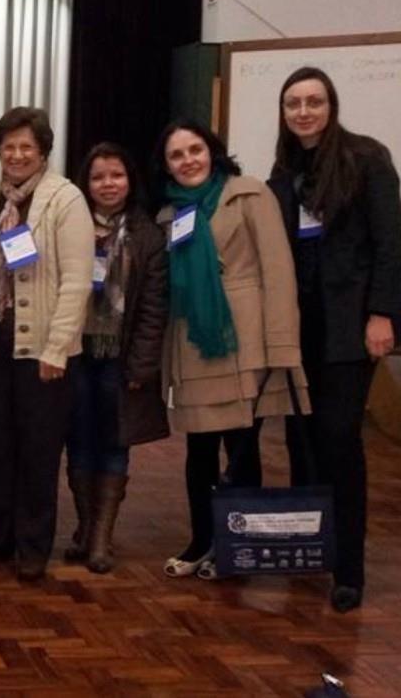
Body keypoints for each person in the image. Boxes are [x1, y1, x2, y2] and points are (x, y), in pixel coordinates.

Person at [268, 67, 401, 613]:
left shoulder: (367, 158)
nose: (303, 111)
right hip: (301, 328)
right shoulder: (283, 171)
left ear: (331, 105)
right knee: (301, 441)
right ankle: (311, 550)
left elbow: (392, 243)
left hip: (352, 325)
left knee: (339, 439)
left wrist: (383, 314)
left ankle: (349, 569)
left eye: (313, 101)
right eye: (293, 103)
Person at [153, 120, 309, 582]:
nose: (188, 160)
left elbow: (279, 271)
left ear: (212, 150)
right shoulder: (170, 213)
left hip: (244, 340)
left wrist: (282, 345)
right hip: (194, 344)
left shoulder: (249, 194)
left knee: (241, 448)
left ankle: (235, 546)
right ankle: (202, 540)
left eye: (195, 149)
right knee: (198, 450)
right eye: (176, 155)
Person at [0, 107, 92, 580]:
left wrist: (58, 348)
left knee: (38, 452)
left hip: (41, 352)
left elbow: (77, 282)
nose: (17, 155)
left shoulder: (65, 199)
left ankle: (34, 547)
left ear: (42, 152)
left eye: (26, 147)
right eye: (8, 146)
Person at [65, 142, 168, 574]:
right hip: (74, 354)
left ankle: (102, 540)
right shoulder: (70, 227)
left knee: (113, 444)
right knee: (78, 443)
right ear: (85, 183)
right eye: (99, 177)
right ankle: (86, 530)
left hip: (120, 361)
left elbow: (152, 308)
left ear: (130, 180)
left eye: (117, 175)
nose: (108, 184)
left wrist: (141, 366)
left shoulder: (148, 235)